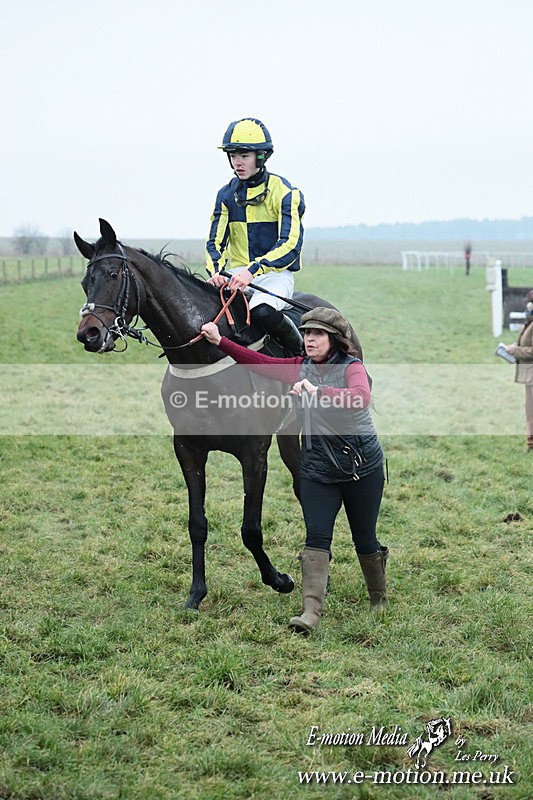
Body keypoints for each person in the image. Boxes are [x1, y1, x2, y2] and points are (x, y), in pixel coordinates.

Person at [201, 307, 388, 633]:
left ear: (334, 339)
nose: (309, 339)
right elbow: (259, 362)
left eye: (318, 334)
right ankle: (310, 613)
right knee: (316, 538)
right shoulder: (299, 368)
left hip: (362, 468)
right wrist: (221, 342)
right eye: (306, 333)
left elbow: (360, 397)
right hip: (317, 467)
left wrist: (318, 392)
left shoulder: (352, 368)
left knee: (365, 539)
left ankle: (378, 598)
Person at [205, 117, 305, 354]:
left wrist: (252, 271)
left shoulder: (286, 193)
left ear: (261, 156)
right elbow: (215, 242)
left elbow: (290, 245)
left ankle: (301, 356)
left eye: (244, 156)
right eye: (232, 156)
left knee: (261, 311)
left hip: (274, 277)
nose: (236, 163)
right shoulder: (225, 195)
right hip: (235, 276)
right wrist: (217, 272)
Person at [506, 289, 533, 452]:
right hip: (529, 374)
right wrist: (514, 349)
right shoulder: (529, 321)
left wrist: (516, 351)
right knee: (530, 410)